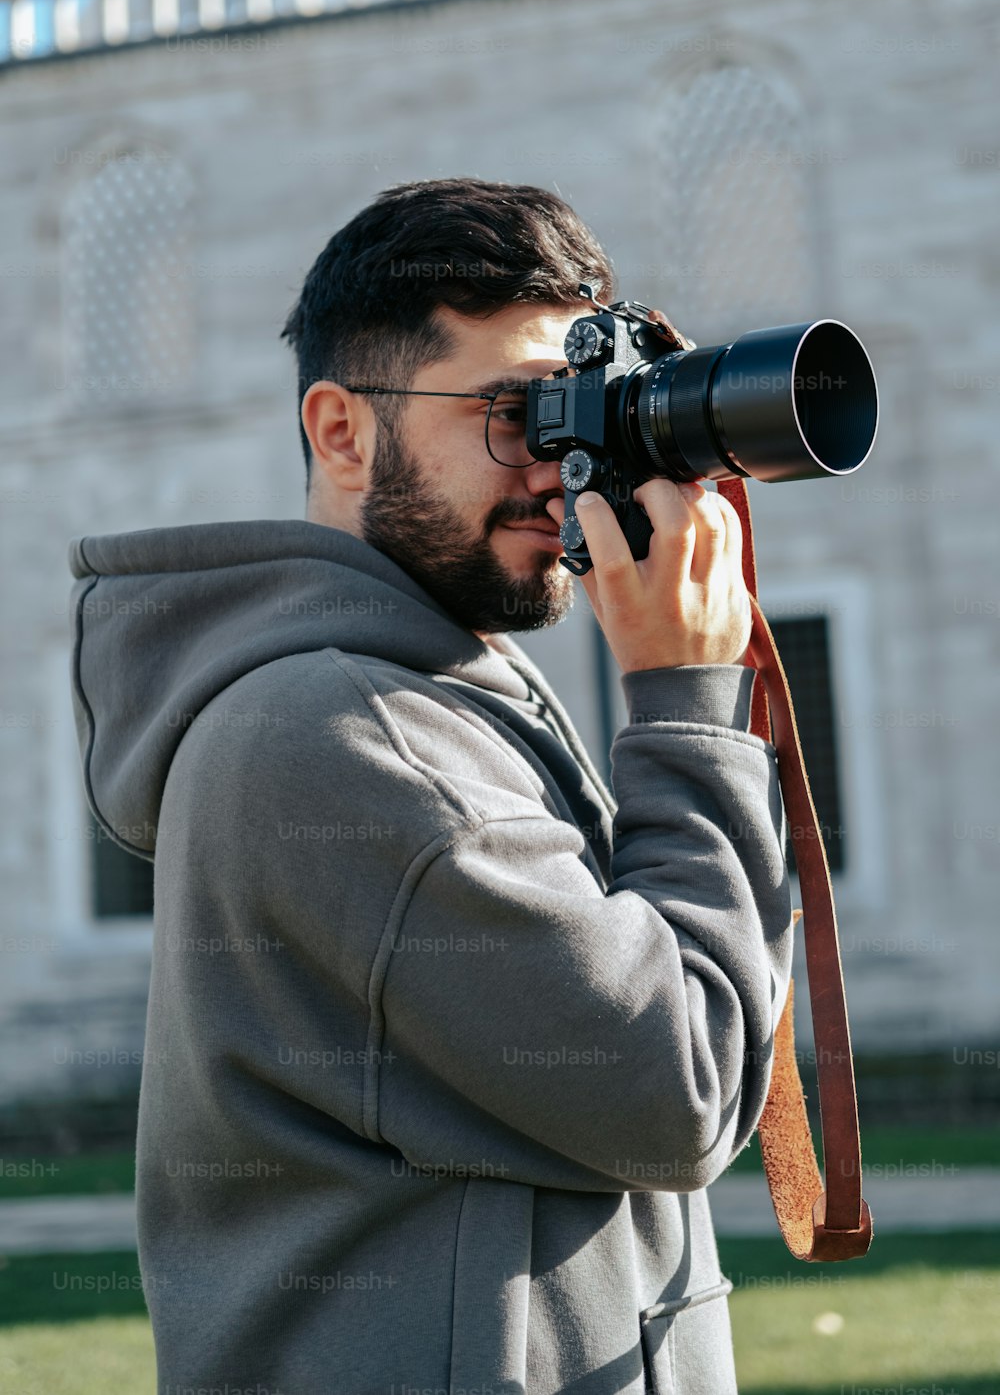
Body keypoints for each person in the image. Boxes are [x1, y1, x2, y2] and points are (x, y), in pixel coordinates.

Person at [67, 177, 793, 1395]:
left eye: (585, 410)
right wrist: (683, 697)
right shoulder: (349, 732)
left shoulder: (439, 695)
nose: (563, 465)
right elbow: (680, 1090)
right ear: (343, 431)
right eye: (516, 412)